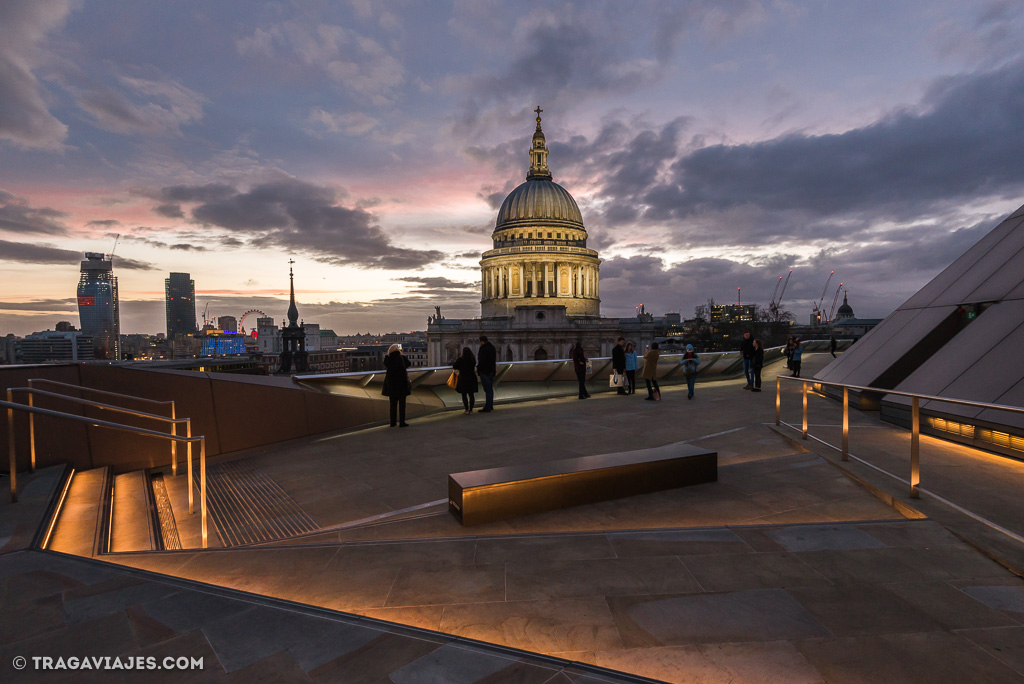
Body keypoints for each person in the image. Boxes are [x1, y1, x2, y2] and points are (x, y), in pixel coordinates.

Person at [382, 344, 411, 427]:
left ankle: (393, 422)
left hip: (391, 385)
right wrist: (402, 354)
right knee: (402, 405)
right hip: (401, 384)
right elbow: (408, 364)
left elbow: (386, 365)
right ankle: (402, 422)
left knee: (393, 405)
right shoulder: (402, 358)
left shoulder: (387, 359)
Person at [453, 346, 479, 414]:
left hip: (463, 378)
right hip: (471, 378)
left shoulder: (460, 359)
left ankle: (466, 409)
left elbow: (455, 366)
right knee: (471, 395)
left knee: (464, 395)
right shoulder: (472, 359)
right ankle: (471, 410)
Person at [477, 335, 497, 412]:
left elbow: (481, 360)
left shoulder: (483, 349)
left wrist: (479, 369)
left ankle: (487, 407)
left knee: (487, 389)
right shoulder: (492, 348)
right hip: (491, 370)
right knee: (490, 389)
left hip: (484, 371)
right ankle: (490, 405)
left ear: (482, 341)